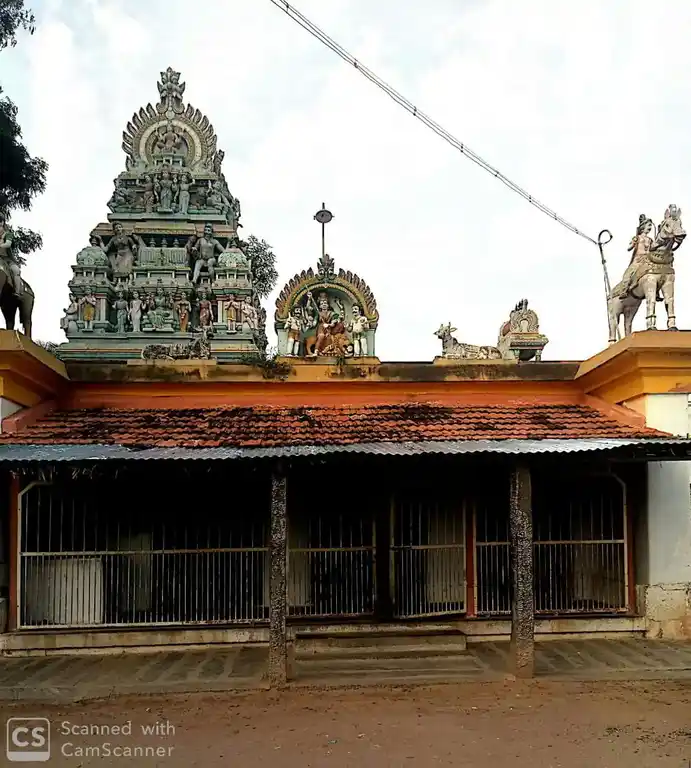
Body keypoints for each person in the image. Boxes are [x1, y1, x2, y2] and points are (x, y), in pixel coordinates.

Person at [0, 214, 23, 297]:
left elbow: (8, 244)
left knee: (16, 270)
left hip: (7, 259)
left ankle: (18, 292)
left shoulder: (7, 234)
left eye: (0, 221)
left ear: (2, 222)